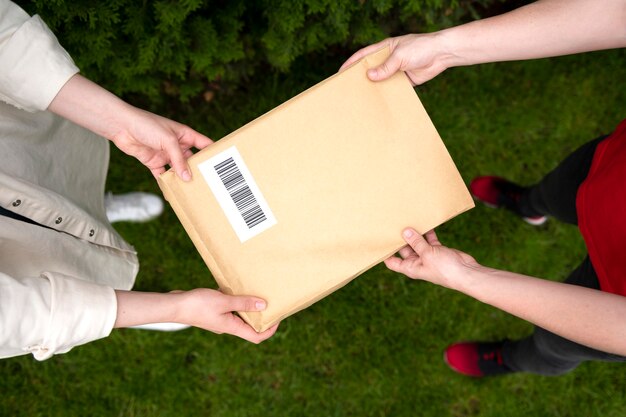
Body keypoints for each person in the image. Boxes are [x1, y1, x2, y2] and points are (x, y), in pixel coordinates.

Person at [343, 0, 626, 376]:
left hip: (613, 296)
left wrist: (471, 276)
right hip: (610, 173)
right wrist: (443, 47)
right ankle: (528, 205)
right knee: (557, 191)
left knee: (553, 342)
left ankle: (509, 358)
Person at [0, 0, 277, 361]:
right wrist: (174, 308)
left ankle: (101, 208)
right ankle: (138, 307)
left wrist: (121, 122)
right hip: (19, 267)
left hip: (15, 158)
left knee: (63, 183)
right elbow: (20, 315)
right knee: (64, 275)